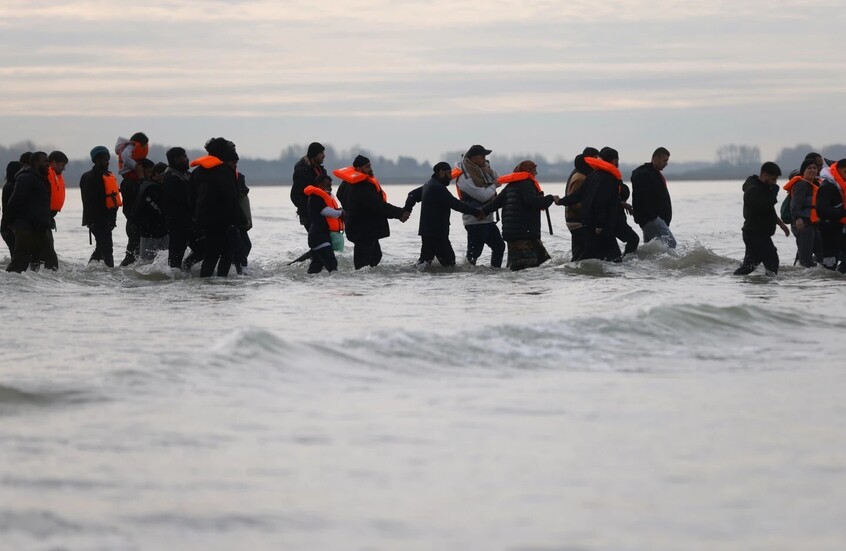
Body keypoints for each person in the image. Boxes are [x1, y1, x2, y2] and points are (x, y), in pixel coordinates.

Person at [333, 155, 409, 269]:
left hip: (359, 228)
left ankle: (366, 282)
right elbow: (378, 206)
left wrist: (350, 209)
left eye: (370, 165)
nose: (370, 169)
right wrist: (399, 213)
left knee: (375, 256)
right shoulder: (362, 186)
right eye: (367, 166)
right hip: (363, 230)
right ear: (358, 169)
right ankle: (362, 283)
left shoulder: (348, 182)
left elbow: (340, 194)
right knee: (365, 261)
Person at [480, 160, 558, 271]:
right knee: (530, 266)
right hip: (525, 233)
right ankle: (528, 286)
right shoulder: (527, 184)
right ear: (528, 171)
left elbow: (495, 203)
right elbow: (532, 202)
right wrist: (550, 198)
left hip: (512, 233)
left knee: (518, 266)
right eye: (534, 170)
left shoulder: (510, 186)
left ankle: (515, 284)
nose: (536, 173)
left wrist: (482, 212)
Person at [403, 162, 482, 267]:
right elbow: (455, 204)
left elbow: (412, 195)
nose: (450, 177)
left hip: (427, 232)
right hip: (437, 234)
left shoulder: (428, 185)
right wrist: (476, 212)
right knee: (450, 264)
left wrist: (407, 210)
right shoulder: (437, 188)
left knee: (424, 263)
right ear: (441, 172)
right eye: (449, 173)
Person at [191, 137, 241, 277]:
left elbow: (191, 198)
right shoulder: (225, 171)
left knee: (210, 255)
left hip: (203, 219)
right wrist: (235, 222)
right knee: (226, 254)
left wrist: (196, 217)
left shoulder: (197, 172)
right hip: (223, 220)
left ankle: (205, 282)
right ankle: (222, 282)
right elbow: (232, 198)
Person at [5, 152, 58, 272]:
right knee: (20, 261)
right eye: (45, 161)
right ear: (35, 162)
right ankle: (8, 284)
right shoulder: (26, 177)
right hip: (24, 227)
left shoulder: (42, 179)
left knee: (44, 261)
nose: (47, 164)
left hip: (39, 227)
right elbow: (14, 202)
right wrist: (8, 223)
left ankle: (39, 287)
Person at [454, 145, 505, 267]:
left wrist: (490, 172)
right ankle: (469, 275)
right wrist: (494, 186)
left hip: (488, 220)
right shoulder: (464, 177)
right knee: (474, 254)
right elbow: (483, 196)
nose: (484, 158)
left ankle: (494, 272)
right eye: (482, 156)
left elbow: (500, 179)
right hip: (474, 221)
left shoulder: (482, 169)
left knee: (499, 246)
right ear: (474, 158)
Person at [734, 162, 789, 276]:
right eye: (773, 179)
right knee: (772, 261)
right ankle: (769, 289)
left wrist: (781, 224)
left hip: (759, 234)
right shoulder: (753, 190)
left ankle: (738, 281)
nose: (775, 183)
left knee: (749, 266)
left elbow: (769, 210)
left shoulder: (764, 188)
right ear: (764, 175)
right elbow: (763, 206)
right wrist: (773, 194)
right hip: (754, 234)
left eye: (776, 180)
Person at [579, 147, 626, 261]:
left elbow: (578, 194)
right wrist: (599, 225)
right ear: (614, 161)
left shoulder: (593, 175)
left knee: (589, 256)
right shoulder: (609, 178)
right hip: (601, 227)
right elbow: (601, 202)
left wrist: (560, 201)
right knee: (615, 259)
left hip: (589, 224)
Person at [80, 146, 121, 267]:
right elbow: (88, 202)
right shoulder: (89, 177)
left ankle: (87, 270)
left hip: (107, 220)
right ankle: (111, 273)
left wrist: (112, 220)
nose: (106, 162)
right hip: (97, 221)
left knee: (101, 249)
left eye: (107, 159)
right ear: (95, 160)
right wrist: (92, 221)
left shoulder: (108, 176)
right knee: (107, 249)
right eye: (103, 159)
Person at [115, 132, 149, 266]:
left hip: (137, 223)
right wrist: (139, 174)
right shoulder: (129, 183)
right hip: (134, 223)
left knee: (137, 255)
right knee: (132, 256)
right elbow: (140, 198)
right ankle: (123, 272)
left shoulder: (133, 180)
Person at [631, 147, 675, 248]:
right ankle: (669, 264)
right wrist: (652, 216)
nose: (666, 164)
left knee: (650, 249)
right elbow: (642, 197)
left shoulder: (653, 173)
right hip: (651, 220)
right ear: (655, 159)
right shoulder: (645, 173)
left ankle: (641, 263)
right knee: (671, 244)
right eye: (664, 160)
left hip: (652, 219)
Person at [784, 158, 822, 268]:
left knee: (821, 254)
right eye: (809, 168)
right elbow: (795, 204)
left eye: (814, 168)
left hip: (813, 224)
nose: (813, 170)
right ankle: (802, 280)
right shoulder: (801, 185)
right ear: (803, 171)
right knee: (806, 258)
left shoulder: (815, 185)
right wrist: (797, 218)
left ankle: (818, 278)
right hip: (803, 224)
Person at [162, 147, 195, 269]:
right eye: (184, 157)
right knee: (175, 260)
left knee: (203, 248)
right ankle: (175, 277)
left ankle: (186, 268)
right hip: (177, 223)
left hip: (188, 223)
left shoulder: (185, 174)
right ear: (176, 160)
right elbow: (184, 199)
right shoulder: (170, 177)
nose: (187, 159)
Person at [563, 148, 598, 261]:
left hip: (575, 219)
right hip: (577, 220)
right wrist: (591, 209)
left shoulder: (579, 172)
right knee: (582, 255)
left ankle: (575, 276)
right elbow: (573, 201)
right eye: (596, 158)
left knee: (579, 254)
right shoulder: (580, 177)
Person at [305, 174, 344, 273]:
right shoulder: (315, 197)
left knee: (316, 267)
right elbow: (325, 211)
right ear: (320, 186)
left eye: (331, 186)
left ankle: (311, 286)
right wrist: (340, 213)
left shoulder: (323, 197)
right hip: (319, 237)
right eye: (328, 186)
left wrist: (338, 211)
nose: (330, 189)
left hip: (320, 237)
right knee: (332, 264)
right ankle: (336, 285)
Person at [131, 161, 169, 261]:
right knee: (146, 262)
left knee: (165, 260)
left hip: (161, 231)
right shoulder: (150, 188)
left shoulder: (146, 185)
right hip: (149, 232)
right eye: (164, 175)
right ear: (156, 174)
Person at [815, 159, 846, 271]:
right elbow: (821, 211)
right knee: (828, 267)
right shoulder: (827, 187)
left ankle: (838, 283)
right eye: (845, 172)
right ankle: (827, 286)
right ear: (837, 171)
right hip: (828, 232)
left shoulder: (842, 186)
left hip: (841, 231)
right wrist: (843, 213)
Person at [292, 142, 327, 229]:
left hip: (322, 212)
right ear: (313, 155)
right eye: (321, 153)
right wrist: (309, 211)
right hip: (309, 215)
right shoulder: (302, 171)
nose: (324, 156)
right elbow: (295, 195)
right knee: (319, 240)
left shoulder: (321, 170)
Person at [231, 171, 252, 274]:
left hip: (240, 220)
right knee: (240, 246)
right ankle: (238, 270)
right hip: (230, 220)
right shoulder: (223, 176)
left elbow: (243, 202)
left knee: (246, 245)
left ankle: (241, 269)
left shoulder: (239, 176)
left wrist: (247, 220)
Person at [1, 161, 24, 256]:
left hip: (6, 226)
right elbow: (12, 207)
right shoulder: (12, 187)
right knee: (18, 255)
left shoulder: (8, 185)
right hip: (9, 226)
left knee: (15, 255)